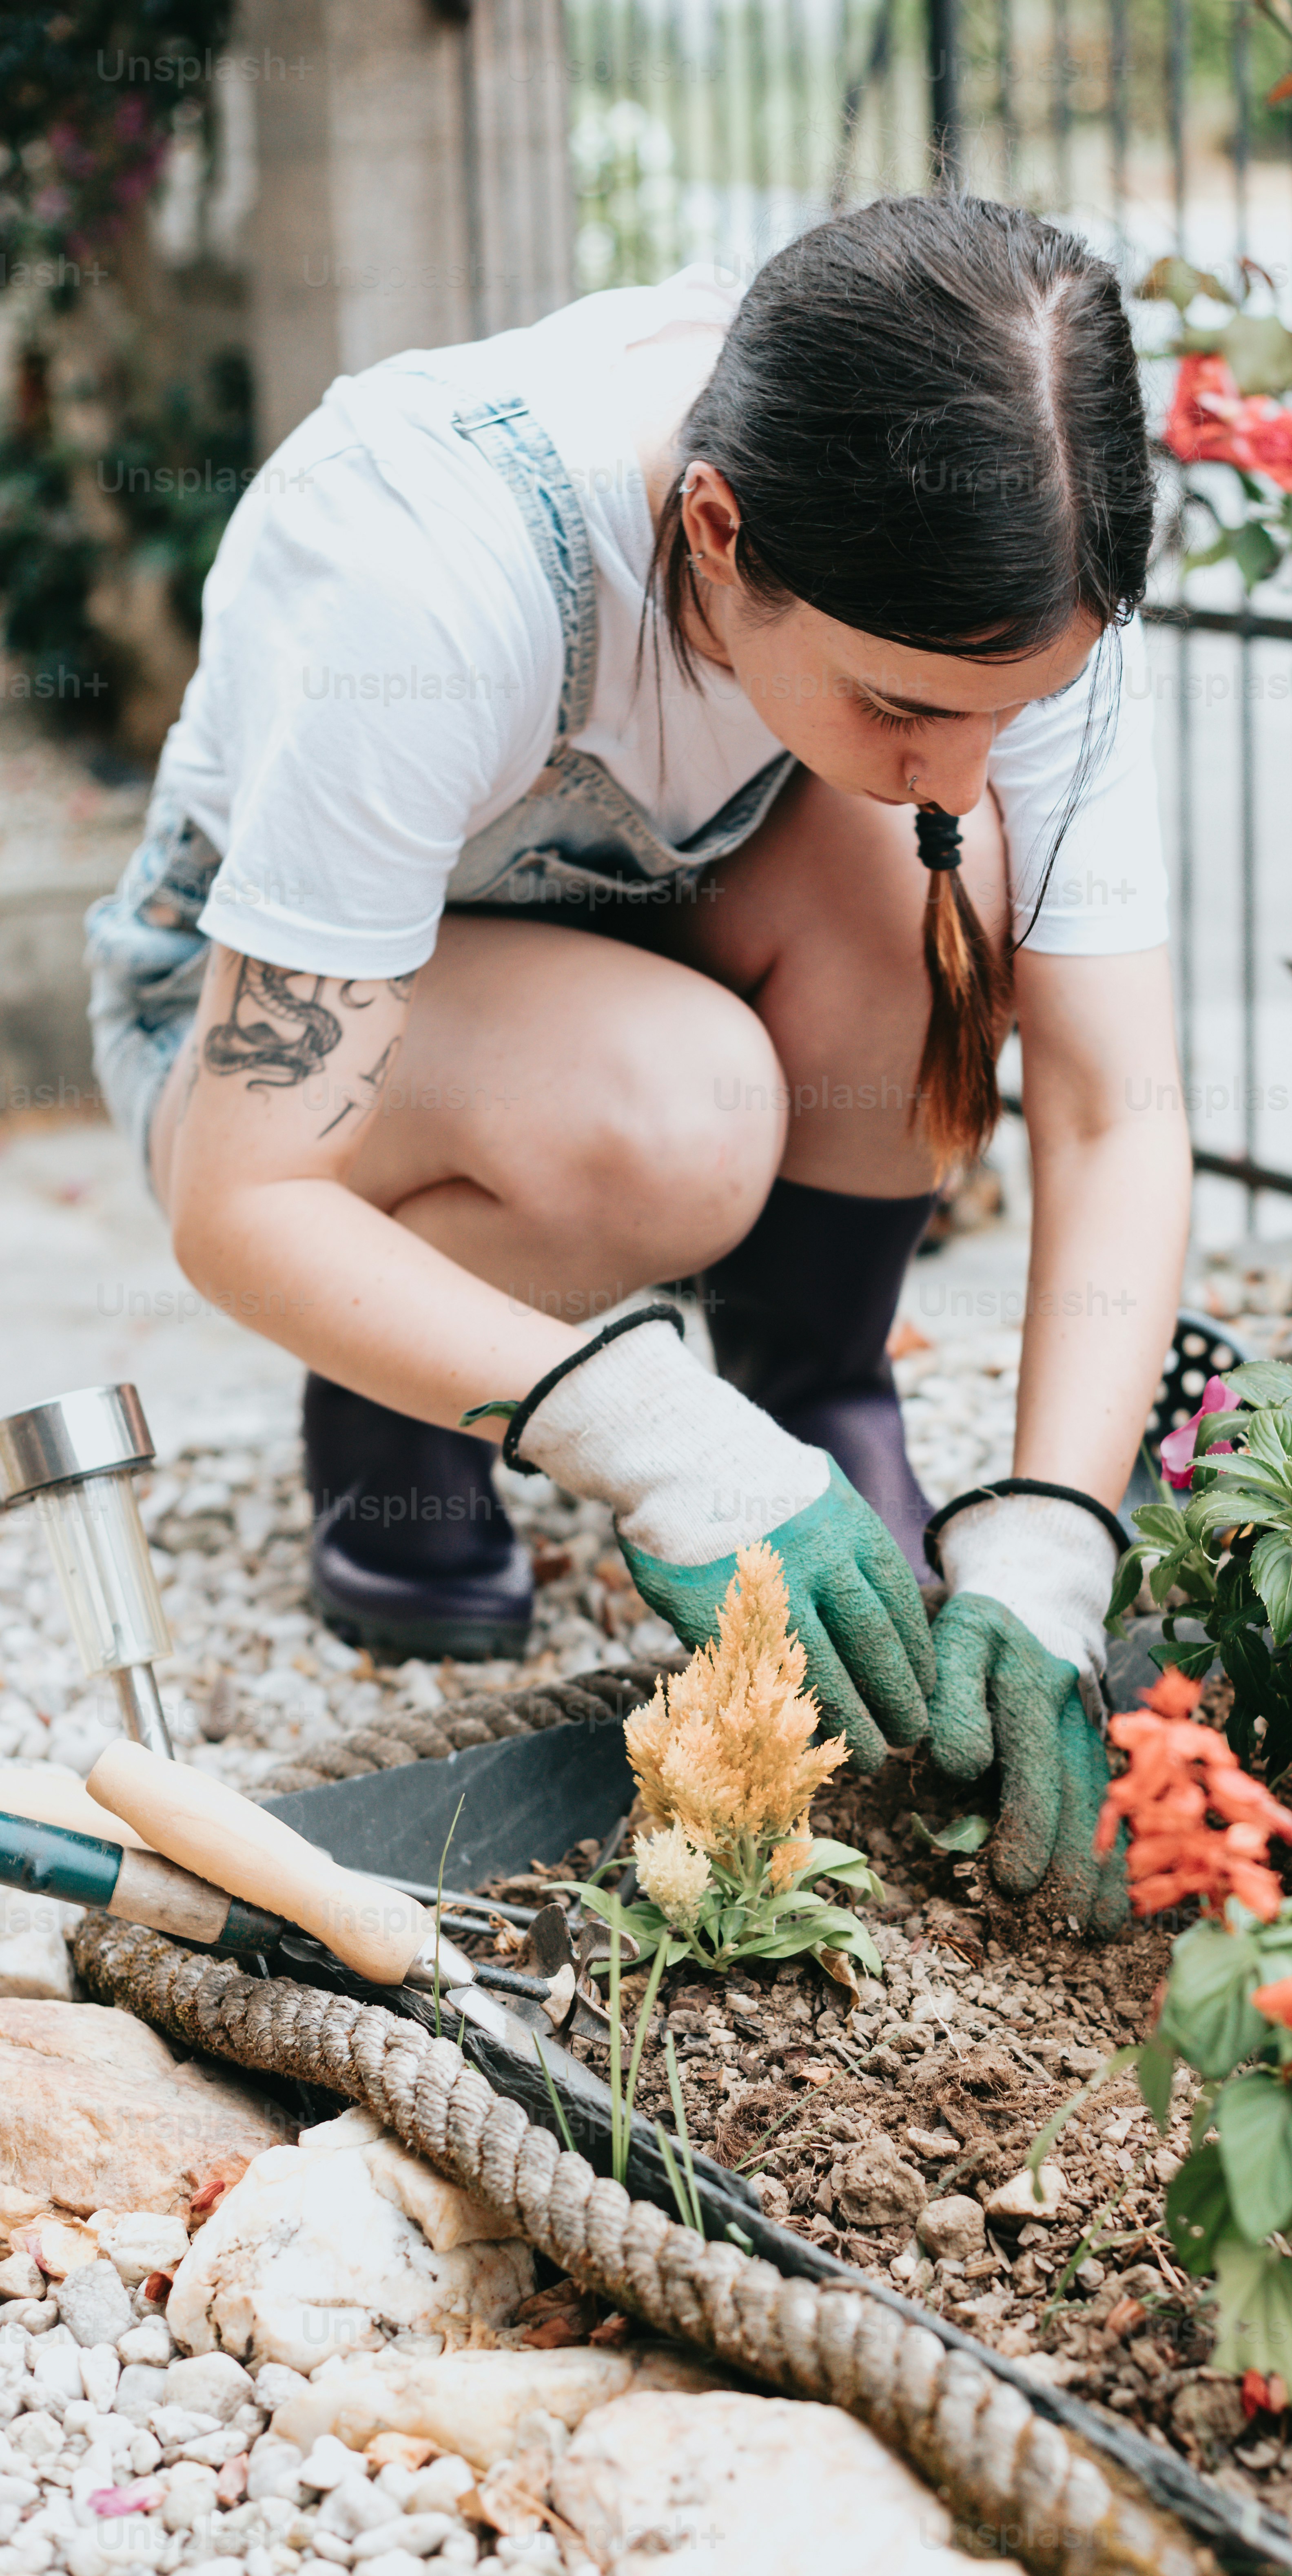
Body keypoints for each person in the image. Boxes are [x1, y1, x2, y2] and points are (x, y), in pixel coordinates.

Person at [86, 193, 1191, 1933]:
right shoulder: (428, 572)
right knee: (681, 1114)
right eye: (905, 706)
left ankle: (816, 1387)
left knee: (945, 893)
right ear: (716, 524)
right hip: (253, 1056)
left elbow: (1110, 1105)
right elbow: (237, 1200)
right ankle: (408, 1379)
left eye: (1014, 713)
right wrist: (648, 1433)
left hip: (626, 946)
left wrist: (1055, 1528)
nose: (967, 766)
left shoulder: (1006, 549)